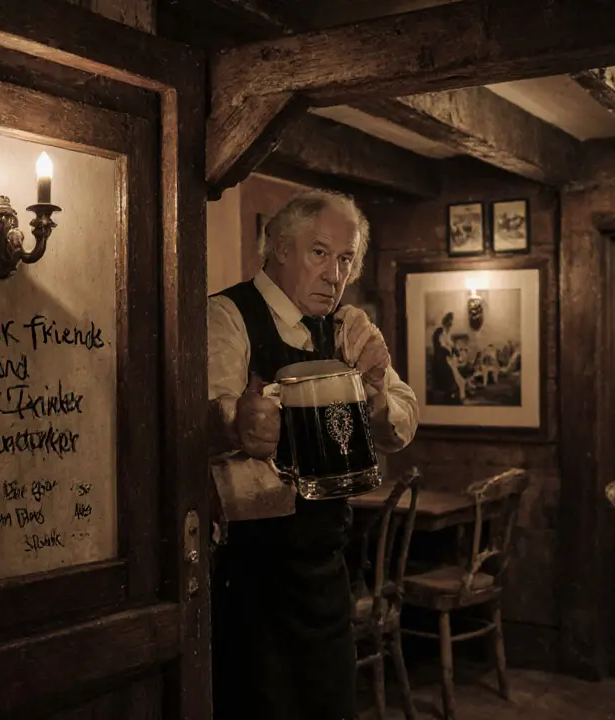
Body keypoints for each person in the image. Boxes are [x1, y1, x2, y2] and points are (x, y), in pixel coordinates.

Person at [207, 190, 419, 720]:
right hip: (251, 572)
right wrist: (236, 425)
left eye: (346, 259)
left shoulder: (346, 328)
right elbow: (201, 422)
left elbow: (405, 417)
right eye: (319, 253)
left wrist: (372, 399)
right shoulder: (227, 315)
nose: (335, 274)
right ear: (278, 247)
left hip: (326, 564)